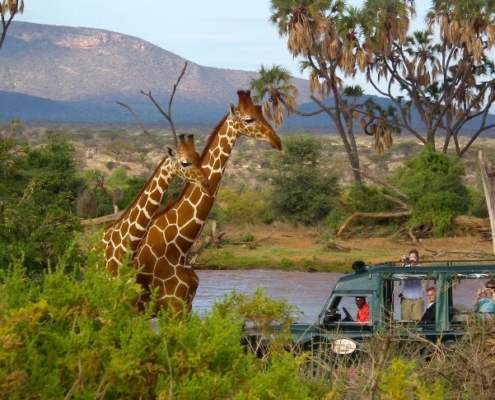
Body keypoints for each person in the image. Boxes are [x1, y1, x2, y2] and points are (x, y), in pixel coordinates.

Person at [399, 249, 424, 322]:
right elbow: (399, 274)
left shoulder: (420, 268)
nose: (412, 259)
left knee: (419, 321)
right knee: (405, 321)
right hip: (406, 299)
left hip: (417, 299)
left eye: (414, 257)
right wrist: (403, 263)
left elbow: (422, 272)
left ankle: (417, 333)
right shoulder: (406, 268)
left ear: (417, 258)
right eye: (410, 257)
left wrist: (415, 263)